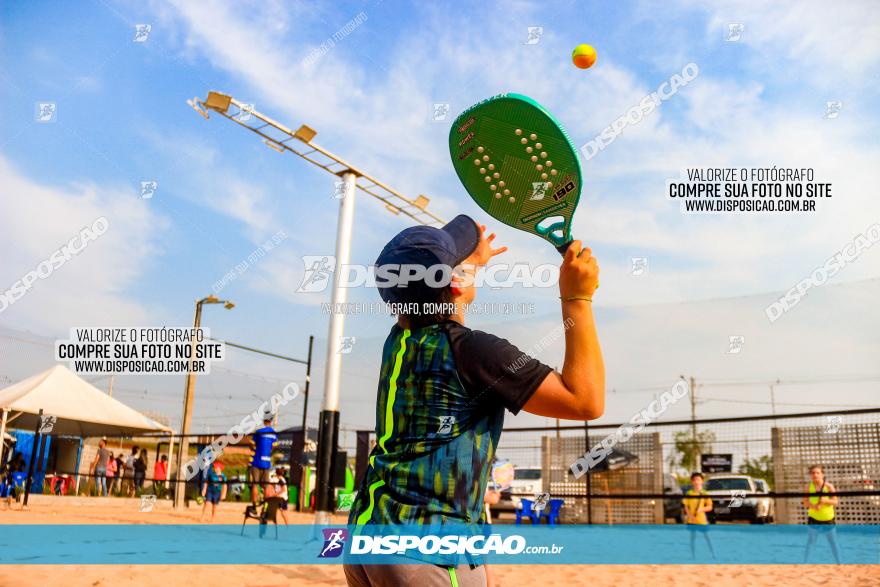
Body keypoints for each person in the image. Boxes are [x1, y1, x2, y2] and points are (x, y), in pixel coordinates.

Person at [344, 216, 604, 586]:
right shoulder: (478, 353)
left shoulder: (398, 340)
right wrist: (577, 298)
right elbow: (585, 402)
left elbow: (425, 296)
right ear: (454, 283)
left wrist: (470, 264)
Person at [803, 465, 842, 563]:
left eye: (817, 473)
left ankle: (840, 563)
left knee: (833, 542)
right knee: (811, 542)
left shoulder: (829, 486)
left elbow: (836, 502)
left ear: (822, 474)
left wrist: (825, 500)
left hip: (828, 519)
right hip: (814, 518)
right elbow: (805, 502)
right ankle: (805, 563)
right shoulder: (808, 487)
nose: (815, 475)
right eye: (813, 473)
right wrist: (813, 506)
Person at [683, 472, 715, 559]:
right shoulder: (689, 493)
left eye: (698, 480)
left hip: (701, 519)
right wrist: (690, 516)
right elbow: (686, 506)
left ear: (702, 481)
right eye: (695, 480)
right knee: (692, 538)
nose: (697, 482)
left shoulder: (704, 493)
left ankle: (712, 554)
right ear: (692, 482)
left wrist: (701, 509)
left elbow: (710, 506)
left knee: (707, 537)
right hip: (692, 520)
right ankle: (693, 556)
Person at [248, 416, 277, 505]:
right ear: (271, 421)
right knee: (266, 485)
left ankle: (254, 506)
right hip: (267, 462)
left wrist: (254, 449)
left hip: (256, 461)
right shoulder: (273, 433)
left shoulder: (259, 432)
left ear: (263, 421)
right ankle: (265, 505)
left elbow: (251, 444)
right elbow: (275, 446)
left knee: (255, 484)